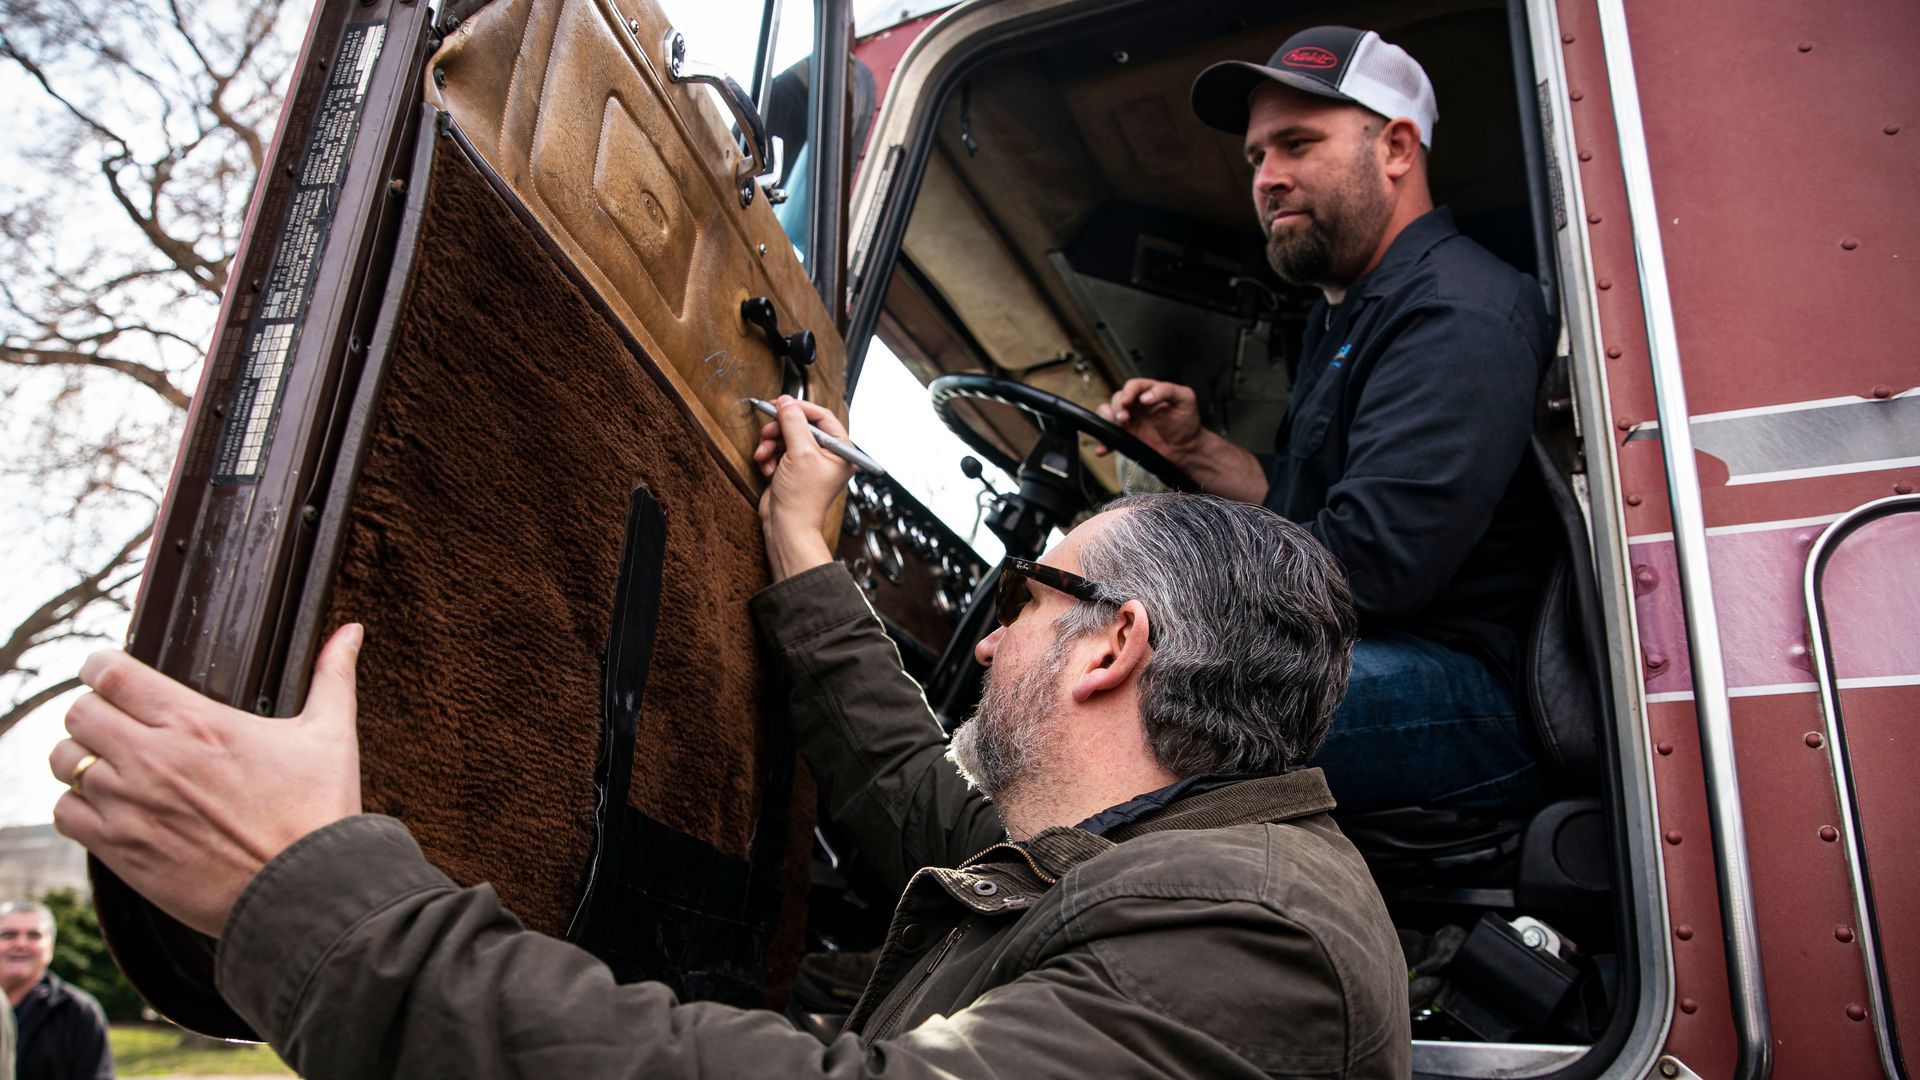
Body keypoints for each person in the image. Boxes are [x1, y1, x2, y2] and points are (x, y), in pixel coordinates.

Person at [47, 397, 1410, 1079]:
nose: (987, 640)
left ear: (1113, 645)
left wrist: (333, 902)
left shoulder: (1254, 936)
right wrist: (800, 545)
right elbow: (892, 778)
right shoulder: (1134, 859)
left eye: (1021, 602)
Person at [1100, 26, 1556, 814]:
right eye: (1256, 158)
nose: (1268, 179)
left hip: (1467, 687)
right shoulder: (1339, 315)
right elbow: (1302, 512)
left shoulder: (1457, 309)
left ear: (1398, 149)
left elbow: (1373, 568)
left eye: (1297, 144)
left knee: (1136, 708)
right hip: (1369, 650)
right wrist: (1196, 449)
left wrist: (1164, 589)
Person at [1, 901, 111, 1080]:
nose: (21, 943)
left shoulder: (79, 1011)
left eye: (34, 935)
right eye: (9, 935)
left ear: (50, 947)